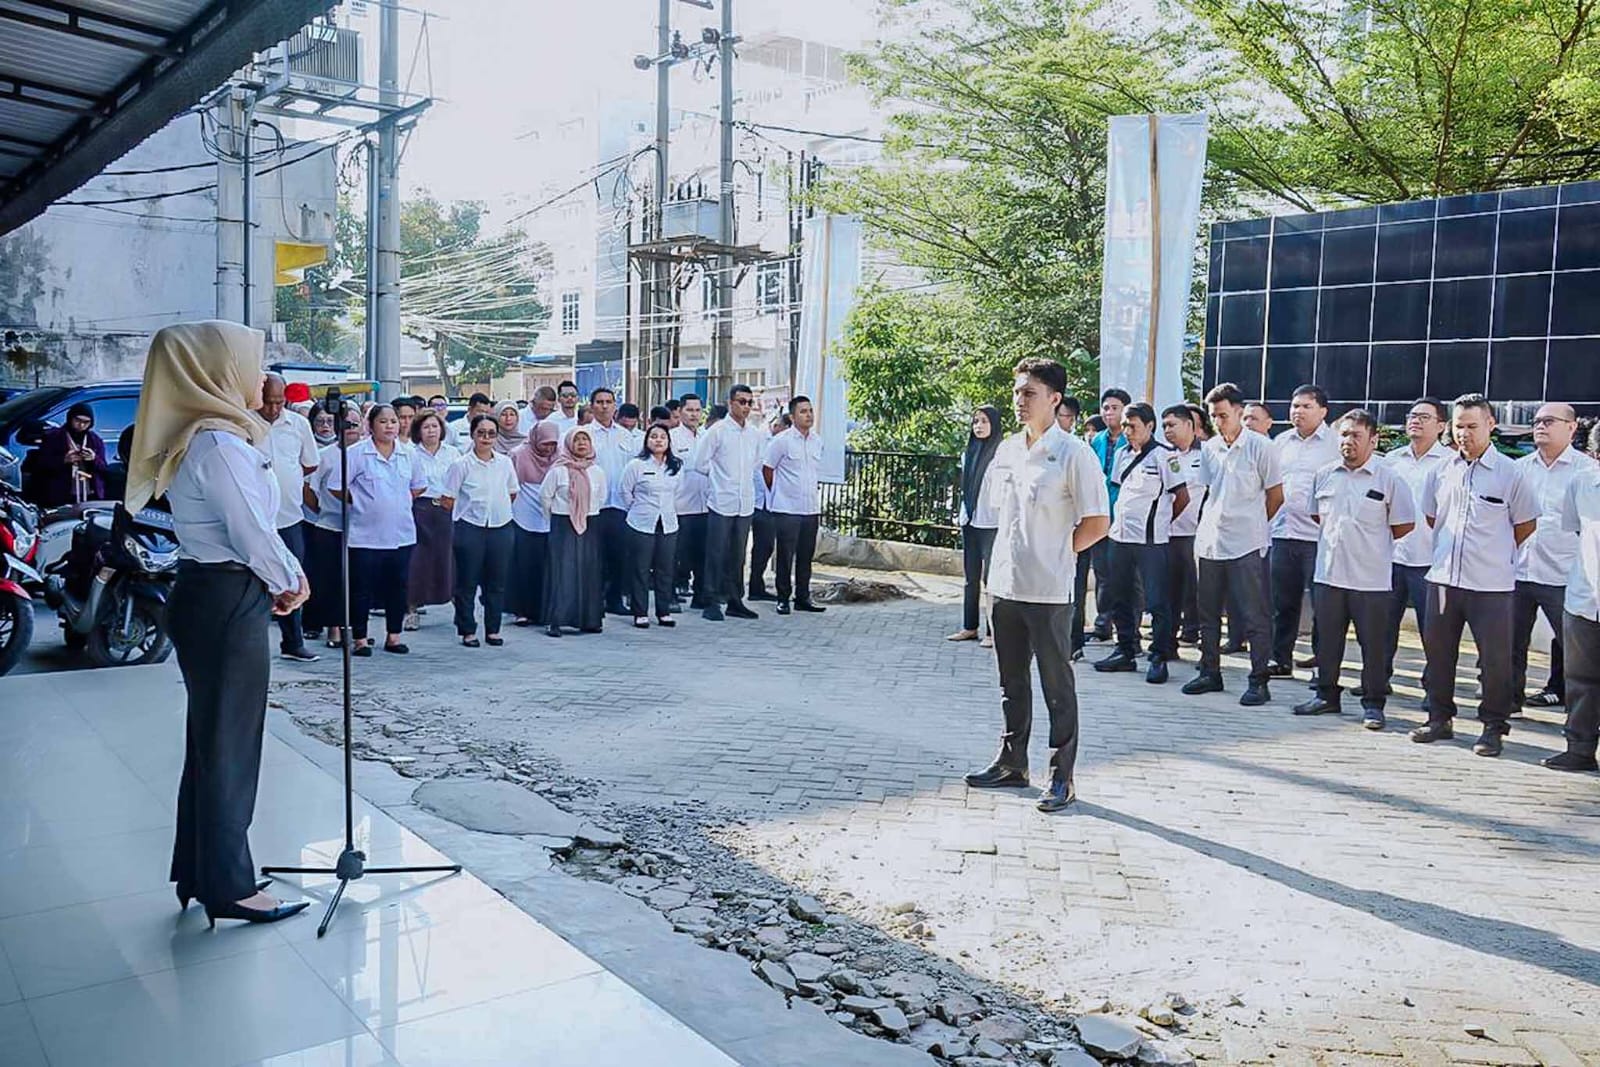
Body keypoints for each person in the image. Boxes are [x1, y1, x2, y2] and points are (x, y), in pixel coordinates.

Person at [126, 319, 309, 927]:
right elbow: (251, 531)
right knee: (230, 744)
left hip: (210, 594)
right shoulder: (221, 445)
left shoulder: (208, 436)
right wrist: (289, 578)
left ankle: (201, 870)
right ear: (219, 372)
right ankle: (229, 886)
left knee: (211, 741)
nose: (261, 378)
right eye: (249, 364)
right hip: (227, 595)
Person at [963, 358, 1110, 813]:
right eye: (1017, 392)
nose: (1019, 400)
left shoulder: (1073, 454)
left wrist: (1061, 552)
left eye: (1029, 392)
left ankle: (1062, 775)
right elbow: (994, 513)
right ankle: (1012, 762)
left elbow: (1098, 522)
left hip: (1048, 590)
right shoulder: (1007, 449)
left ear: (1054, 399)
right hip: (1006, 584)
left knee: (1056, 685)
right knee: (1011, 682)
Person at [1412, 393, 1539, 757]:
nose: (1464, 434)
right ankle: (1439, 718)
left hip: (1491, 584)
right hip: (1443, 579)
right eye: (1458, 426)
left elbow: (1525, 524)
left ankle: (1493, 727)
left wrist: (1494, 554)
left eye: (1472, 426)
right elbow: (1433, 517)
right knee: (1438, 654)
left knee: (1495, 660)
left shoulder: (1511, 473)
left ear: (1490, 426)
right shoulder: (1441, 469)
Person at [1292, 410, 1416, 729]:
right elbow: (1317, 516)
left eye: (1356, 435)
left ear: (1373, 440)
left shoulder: (1389, 478)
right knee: (1327, 641)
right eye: (1344, 435)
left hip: (1370, 579)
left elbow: (1403, 525)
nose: (1348, 442)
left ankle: (1373, 704)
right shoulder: (1325, 474)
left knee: (1373, 645)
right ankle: (1326, 695)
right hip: (1329, 574)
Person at [1183, 382, 1285, 705]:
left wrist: (1253, 524)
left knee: (1254, 614)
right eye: (1213, 416)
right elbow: (1210, 492)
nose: (1218, 421)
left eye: (1224, 415)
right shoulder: (1210, 447)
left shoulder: (1261, 447)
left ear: (1241, 413)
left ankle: (1258, 680)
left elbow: (1276, 496)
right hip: (1212, 541)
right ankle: (1209, 671)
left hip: (1247, 544)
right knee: (1208, 612)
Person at [1093, 403, 1188, 684]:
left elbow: (1181, 497)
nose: (1128, 431)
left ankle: (1159, 656)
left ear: (1149, 426)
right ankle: (1125, 649)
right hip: (1120, 536)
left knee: (1157, 601)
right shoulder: (1122, 454)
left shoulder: (1164, 456)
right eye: (1125, 425)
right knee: (1120, 596)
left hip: (1150, 541)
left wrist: (1160, 523)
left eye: (1133, 425)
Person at [1513, 403, 1595, 710]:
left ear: (1571, 428)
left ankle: (1576, 710)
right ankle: (1509, 704)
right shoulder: (1520, 469)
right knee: (1511, 644)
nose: (1540, 426)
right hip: (1519, 571)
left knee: (1575, 649)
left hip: (1564, 573)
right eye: (1536, 422)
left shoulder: (1586, 472)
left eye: (1549, 421)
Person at [332, 404, 426, 656]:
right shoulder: (357, 454)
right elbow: (335, 486)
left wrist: (396, 502)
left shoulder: (409, 454)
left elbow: (418, 486)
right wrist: (362, 502)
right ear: (371, 425)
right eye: (383, 421)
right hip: (365, 536)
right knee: (361, 589)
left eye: (393, 421)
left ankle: (394, 636)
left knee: (398, 586)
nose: (390, 426)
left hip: (401, 533)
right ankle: (360, 639)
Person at [1379, 398, 1452, 701]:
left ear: (1441, 425)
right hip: (1391, 557)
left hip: (1430, 561)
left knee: (1433, 632)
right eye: (1412, 416)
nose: (1416, 421)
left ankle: (1433, 689)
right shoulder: (1391, 460)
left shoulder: (1450, 463)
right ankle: (1377, 680)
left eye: (1424, 417)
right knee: (1381, 627)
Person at [1269, 385, 1340, 677]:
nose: (1297, 411)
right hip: (1282, 533)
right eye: (1294, 406)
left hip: (1318, 537)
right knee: (1282, 602)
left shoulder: (1335, 443)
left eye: (1305, 406)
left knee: (1323, 605)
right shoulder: (1280, 442)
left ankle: (1322, 664)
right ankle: (1280, 658)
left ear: (1323, 411)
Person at [441, 415, 519, 648]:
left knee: (497, 582)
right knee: (467, 582)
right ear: (473, 434)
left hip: (501, 526)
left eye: (491, 433)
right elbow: (447, 499)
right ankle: (467, 630)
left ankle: (493, 629)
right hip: (470, 528)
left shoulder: (505, 462)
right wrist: (468, 513)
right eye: (481, 433)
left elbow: (512, 492)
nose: (486, 438)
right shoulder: (461, 464)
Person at [258, 374, 320, 662]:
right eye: (268, 402)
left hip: (289, 516)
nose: (273, 409)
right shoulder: (246, 423)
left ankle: (293, 642)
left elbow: (309, 464)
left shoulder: (298, 425)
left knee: (292, 579)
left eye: (279, 402)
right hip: (255, 518)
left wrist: (287, 480)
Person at [1543, 461, 1600, 772]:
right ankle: (1580, 748)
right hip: (1584, 597)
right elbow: (1578, 528)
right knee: (1580, 678)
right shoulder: (1582, 483)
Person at [693, 384, 766, 621]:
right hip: (721, 501)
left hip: (744, 503)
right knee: (716, 553)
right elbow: (700, 463)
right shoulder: (718, 431)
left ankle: (735, 600)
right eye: (741, 401)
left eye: (749, 402)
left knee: (738, 555)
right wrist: (719, 482)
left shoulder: (754, 434)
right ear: (730, 403)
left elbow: (756, 464)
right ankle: (710, 600)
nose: (745, 406)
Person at [301, 406, 361, 648]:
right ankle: (333, 629)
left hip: (360, 528)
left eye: (354, 425)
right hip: (329, 526)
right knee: (330, 580)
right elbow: (308, 490)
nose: (350, 430)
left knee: (355, 582)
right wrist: (323, 510)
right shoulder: (325, 455)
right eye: (345, 424)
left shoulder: (367, 453)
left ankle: (356, 629)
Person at [542, 426, 607, 635]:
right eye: (577, 440)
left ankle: (589, 620)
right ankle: (557, 620)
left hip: (590, 523)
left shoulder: (596, 471)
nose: (581, 444)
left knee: (589, 570)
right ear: (569, 444)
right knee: (562, 571)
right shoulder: (558, 470)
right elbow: (545, 497)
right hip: (563, 524)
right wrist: (557, 516)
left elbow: (601, 496)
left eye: (585, 440)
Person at [765, 397, 826, 616]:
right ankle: (783, 598)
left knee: (806, 555)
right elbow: (768, 469)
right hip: (787, 508)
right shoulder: (781, 441)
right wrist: (778, 493)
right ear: (792, 416)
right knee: (785, 554)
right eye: (803, 412)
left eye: (810, 411)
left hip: (810, 507)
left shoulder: (817, 440)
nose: (808, 415)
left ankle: (803, 596)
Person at [584, 387, 642, 614]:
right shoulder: (584, 434)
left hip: (619, 504)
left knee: (619, 555)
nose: (604, 406)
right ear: (591, 405)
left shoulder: (627, 436)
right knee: (594, 556)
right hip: (593, 506)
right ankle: (593, 600)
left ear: (615, 406)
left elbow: (634, 469)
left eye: (608, 401)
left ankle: (615, 599)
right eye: (599, 402)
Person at [620, 422, 681, 627]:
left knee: (665, 569)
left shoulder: (676, 466)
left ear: (669, 442)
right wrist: (637, 510)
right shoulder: (636, 465)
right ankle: (640, 612)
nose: (658, 440)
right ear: (647, 441)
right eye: (653, 436)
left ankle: (663, 611)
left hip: (668, 523)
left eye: (662, 437)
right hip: (641, 523)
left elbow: (678, 493)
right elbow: (625, 493)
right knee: (641, 569)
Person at [950, 406, 1002, 642]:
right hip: (969, 519)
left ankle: (994, 632)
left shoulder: (1001, 454)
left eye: (984, 421)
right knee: (971, 578)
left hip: (992, 522)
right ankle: (969, 626)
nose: (979, 426)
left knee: (991, 579)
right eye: (975, 422)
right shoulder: (968, 452)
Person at [406, 409, 459, 630]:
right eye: (426, 427)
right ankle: (411, 610)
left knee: (450, 560)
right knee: (417, 562)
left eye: (435, 426)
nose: (431, 431)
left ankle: (460, 609)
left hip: (447, 509)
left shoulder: (453, 453)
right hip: (420, 509)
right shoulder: (410, 453)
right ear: (418, 431)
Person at [1086, 389, 1130, 642]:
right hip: (1100, 512)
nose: (1109, 412)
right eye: (1105, 407)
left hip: (1124, 515)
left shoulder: (1133, 439)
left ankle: (1125, 626)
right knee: (1101, 571)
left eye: (1114, 407)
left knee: (1122, 574)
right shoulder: (1097, 440)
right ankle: (1103, 623)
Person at [1161, 404, 1206, 645]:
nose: (1167, 431)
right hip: (1167, 533)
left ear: (1189, 425)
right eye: (1164, 426)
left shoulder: (1208, 454)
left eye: (1172, 425)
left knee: (1195, 588)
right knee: (1169, 591)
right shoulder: (1164, 455)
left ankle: (1193, 632)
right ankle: (1168, 640)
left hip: (1196, 533)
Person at [509, 421, 561, 625]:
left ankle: (544, 610)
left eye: (552, 444)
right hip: (523, 516)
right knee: (524, 566)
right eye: (545, 443)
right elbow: (510, 485)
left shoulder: (560, 457)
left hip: (550, 517)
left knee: (546, 567)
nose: (548, 448)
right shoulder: (518, 454)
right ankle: (521, 610)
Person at [671, 393, 711, 609]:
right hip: (680, 506)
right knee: (677, 555)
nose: (694, 414)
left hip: (705, 505)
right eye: (690, 410)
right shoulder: (672, 438)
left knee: (702, 555)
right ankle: (669, 595)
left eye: (697, 410)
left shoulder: (708, 436)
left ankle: (701, 596)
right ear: (680, 411)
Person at [29, 401, 107, 506]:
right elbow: (41, 465)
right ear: (70, 418)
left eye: (86, 422)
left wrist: (93, 458)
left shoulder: (95, 440)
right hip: (61, 495)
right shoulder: (54, 437)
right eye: (77, 420)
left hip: (89, 494)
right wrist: (64, 460)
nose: (81, 425)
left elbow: (103, 468)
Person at [748, 411, 791, 601]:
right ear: (777, 426)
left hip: (775, 503)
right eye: (785, 428)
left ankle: (757, 586)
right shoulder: (761, 439)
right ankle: (754, 586)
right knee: (762, 546)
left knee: (766, 547)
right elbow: (760, 472)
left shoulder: (778, 442)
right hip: (761, 503)